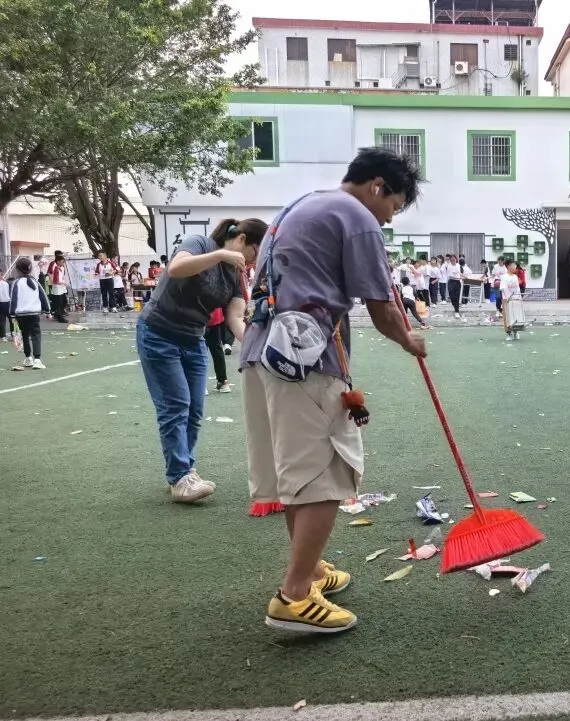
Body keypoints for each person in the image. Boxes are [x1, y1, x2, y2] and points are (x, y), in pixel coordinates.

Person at [241, 146, 426, 635]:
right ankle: (294, 595)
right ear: (378, 187)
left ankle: (312, 570)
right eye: (395, 206)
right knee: (326, 473)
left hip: (265, 353)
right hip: (306, 361)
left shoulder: (301, 205)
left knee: (296, 475)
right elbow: (382, 305)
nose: (389, 219)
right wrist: (411, 340)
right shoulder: (355, 215)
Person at [138, 218, 267, 502]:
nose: (253, 260)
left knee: (195, 409)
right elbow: (176, 268)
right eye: (256, 252)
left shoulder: (236, 274)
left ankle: (184, 469)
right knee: (176, 405)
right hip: (159, 333)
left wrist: (258, 346)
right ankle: (179, 477)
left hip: (194, 338)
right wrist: (220, 254)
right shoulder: (199, 243)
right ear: (242, 239)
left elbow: (234, 317)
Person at [9, 258, 51, 370]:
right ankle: (37, 360)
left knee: (25, 336)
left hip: (20, 314)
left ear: (17, 270)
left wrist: (12, 314)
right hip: (34, 313)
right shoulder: (35, 281)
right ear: (30, 268)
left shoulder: (16, 283)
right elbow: (43, 296)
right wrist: (48, 311)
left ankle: (28, 358)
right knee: (36, 334)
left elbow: (13, 299)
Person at [502, 260, 526, 341]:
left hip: (515, 299)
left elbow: (517, 288)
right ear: (509, 266)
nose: (515, 267)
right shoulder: (504, 277)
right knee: (508, 317)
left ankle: (516, 332)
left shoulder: (515, 277)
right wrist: (508, 297)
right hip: (507, 299)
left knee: (516, 316)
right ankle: (509, 334)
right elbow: (504, 288)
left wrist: (518, 297)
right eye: (514, 265)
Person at [48, 253, 70, 323]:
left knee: (64, 301)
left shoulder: (62, 268)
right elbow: (56, 281)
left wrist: (64, 283)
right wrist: (64, 283)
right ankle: (59, 316)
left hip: (62, 287)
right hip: (57, 288)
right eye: (62, 261)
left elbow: (61, 278)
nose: (63, 263)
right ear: (58, 262)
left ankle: (57, 314)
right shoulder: (56, 269)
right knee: (59, 303)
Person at [0, 273, 12, 342]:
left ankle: (3, 336)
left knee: (5, 320)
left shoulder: (5, 283)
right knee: (3, 320)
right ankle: (3, 336)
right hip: (5, 302)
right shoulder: (5, 283)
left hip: (6, 302)